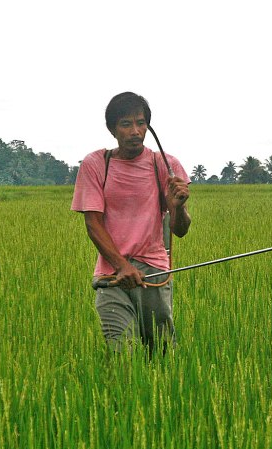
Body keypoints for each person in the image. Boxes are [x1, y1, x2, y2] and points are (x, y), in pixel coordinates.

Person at [71, 92, 191, 356]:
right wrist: (122, 266)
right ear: (113, 129)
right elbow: (93, 224)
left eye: (141, 123)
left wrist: (178, 206)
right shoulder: (96, 164)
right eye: (126, 124)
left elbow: (180, 229)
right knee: (123, 353)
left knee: (160, 354)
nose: (135, 131)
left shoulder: (165, 164)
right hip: (112, 276)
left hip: (153, 273)